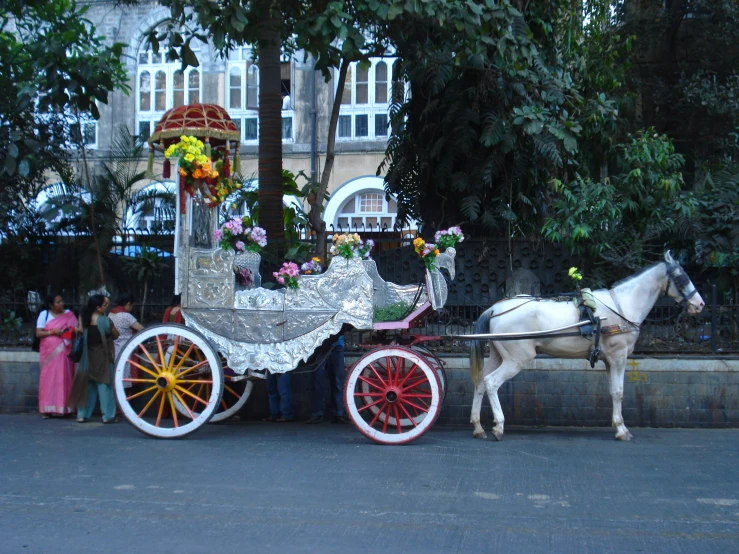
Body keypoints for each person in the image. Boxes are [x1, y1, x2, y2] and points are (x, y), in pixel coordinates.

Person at [67, 294, 120, 423]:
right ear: (98, 307)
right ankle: (108, 415)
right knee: (104, 385)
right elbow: (116, 335)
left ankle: (82, 414)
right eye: (105, 305)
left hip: (86, 355)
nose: (107, 307)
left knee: (87, 386)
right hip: (102, 355)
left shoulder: (83, 317)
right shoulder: (104, 320)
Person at [36, 292, 78, 418]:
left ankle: (66, 408)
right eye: (58, 302)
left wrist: (70, 331)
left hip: (65, 351)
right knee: (48, 379)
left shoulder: (68, 314)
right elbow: (38, 333)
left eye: (61, 301)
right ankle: (47, 409)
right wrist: (53, 331)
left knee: (65, 377)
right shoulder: (45, 314)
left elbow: (77, 330)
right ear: (51, 305)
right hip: (49, 352)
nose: (61, 304)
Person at [306, 334, 348, 424]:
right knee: (317, 381)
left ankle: (337, 413)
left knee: (337, 381)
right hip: (319, 345)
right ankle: (319, 413)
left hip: (336, 346)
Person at [109, 293, 144, 389]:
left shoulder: (110, 314)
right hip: (126, 349)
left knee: (116, 375)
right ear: (128, 304)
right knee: (125, 377)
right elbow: (142, 329)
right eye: (132, 306)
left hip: (114, 349)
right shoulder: (126, 316)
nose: (132, 308)